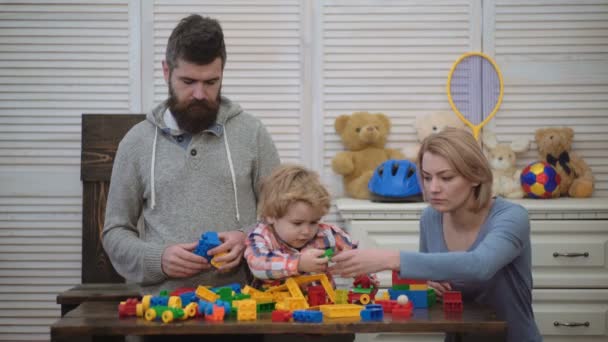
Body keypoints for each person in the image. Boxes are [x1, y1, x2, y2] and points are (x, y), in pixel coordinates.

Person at [102, 14, 280, 299]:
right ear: (165, 72)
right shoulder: (136, 142)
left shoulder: (253, 133)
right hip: (161, 307)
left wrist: (247, 238)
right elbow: (114, 232)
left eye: (211, 82)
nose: (199, 93)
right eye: (188, 81)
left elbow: (282, 216)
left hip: (244, 305)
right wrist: (158, 259)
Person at [330, 128, 542, 342]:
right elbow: (431, 273)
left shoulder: (512, 217)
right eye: (426, 177)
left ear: (476, 176)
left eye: (446, 177)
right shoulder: (431, 218)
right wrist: (427, 285)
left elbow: (480, 265)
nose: (433, 188)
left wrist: (389, 259)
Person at [245, 164, 367, 342]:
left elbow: (356, 255)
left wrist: (363, 275)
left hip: (322, 313)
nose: (307, 231)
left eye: (313, 222)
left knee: (344, 334)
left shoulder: (327, 233)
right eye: (297, 223)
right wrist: (298, 263)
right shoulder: (262, 236)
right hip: (280, 318)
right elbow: (258, 263)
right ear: (270, 216)